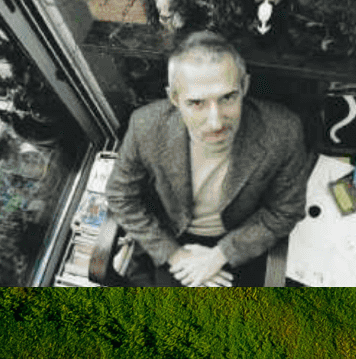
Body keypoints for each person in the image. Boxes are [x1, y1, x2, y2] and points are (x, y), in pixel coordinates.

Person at [105, 31, 310, 287]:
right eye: (196, 103)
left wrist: (220, 255)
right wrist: (176, 256)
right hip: (171, 240)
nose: (215, 122)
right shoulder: (145, 126)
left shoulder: (283, 130)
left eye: (227, 97)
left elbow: (286, 210)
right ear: (174, 98)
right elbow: (120, 195)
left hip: (241, 241)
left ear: (244, 87)